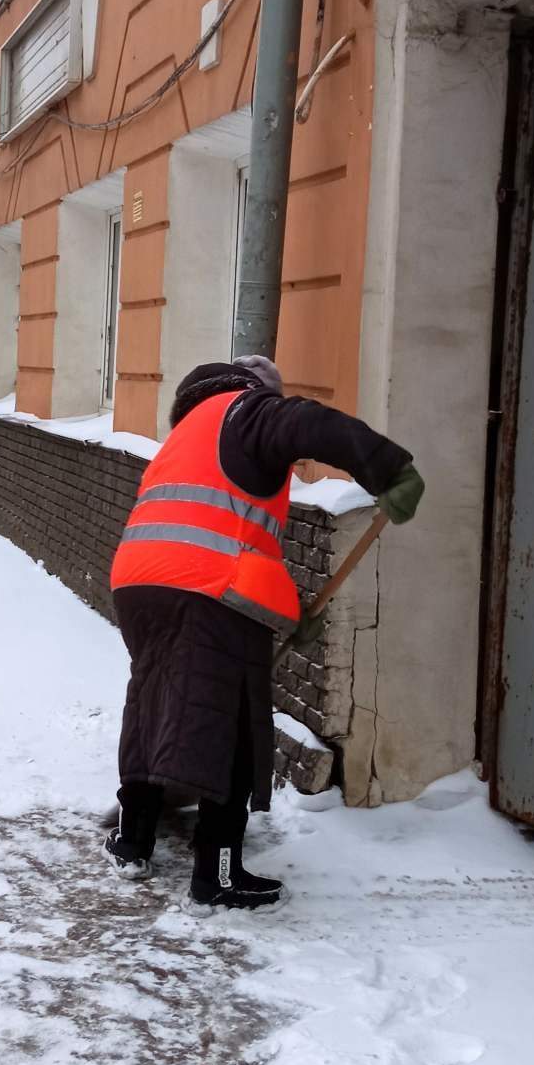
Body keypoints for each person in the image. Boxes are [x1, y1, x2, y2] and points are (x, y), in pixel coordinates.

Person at [105, 356, 424, 910]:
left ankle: (132, 840)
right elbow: (308, 423)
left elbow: (226, 530)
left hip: (139, 585)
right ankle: (217, 874)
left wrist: (286, 611)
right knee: (226, 722)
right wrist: (389, 469)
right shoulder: (247, 411)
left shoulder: (186, 439)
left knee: (154, 703)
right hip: (205, 592)